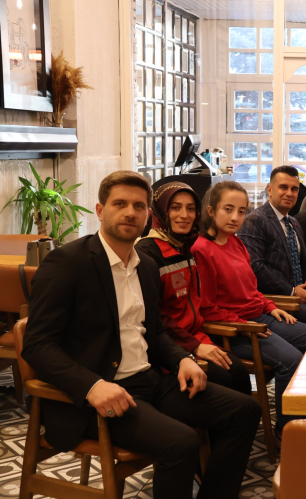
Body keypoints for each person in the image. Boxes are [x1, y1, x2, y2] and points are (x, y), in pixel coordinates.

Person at [22, 171, 259, 499]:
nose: (130, 212)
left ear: (148, 215)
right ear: (100, 210)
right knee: (181, 443)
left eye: (138, 206)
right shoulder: (67, 263)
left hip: (148, 381)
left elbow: (155, 331)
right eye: (120, 204)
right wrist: (92, 385)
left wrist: (182, 359)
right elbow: (37, 345)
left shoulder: (145, 265)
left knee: (245, 410)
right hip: (96, 395)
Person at [191, 181, 306, 437]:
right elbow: (206, 307)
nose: (235, 217)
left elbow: (251, 289)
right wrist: (244, 324)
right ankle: (288, 432)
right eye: (228, 209)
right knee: (292, 361)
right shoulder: (201, 250)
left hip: (259, 318)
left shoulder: (236, 242)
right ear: (211, 210)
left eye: (241, 211)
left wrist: (270, 306)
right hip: (235, 330)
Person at [136, 182, 252, 396]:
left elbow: (196, 304)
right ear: (160, 211)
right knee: (224, 379)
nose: (185, 215)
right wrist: (194, 346)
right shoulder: (147, 253)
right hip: (169, 345)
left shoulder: (184, 246)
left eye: (190, 209)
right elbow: (156, 318)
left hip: (196, 335)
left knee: (238, 372)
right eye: (175, 207)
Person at [237, 166, 306, 330]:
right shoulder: (255, 220)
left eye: (294, 189)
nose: (289, 193)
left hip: (304, 294)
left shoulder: (294, 223)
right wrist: (293, 291)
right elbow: (256, 267)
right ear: (270, 190)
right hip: (278, 300)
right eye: (283, 187)